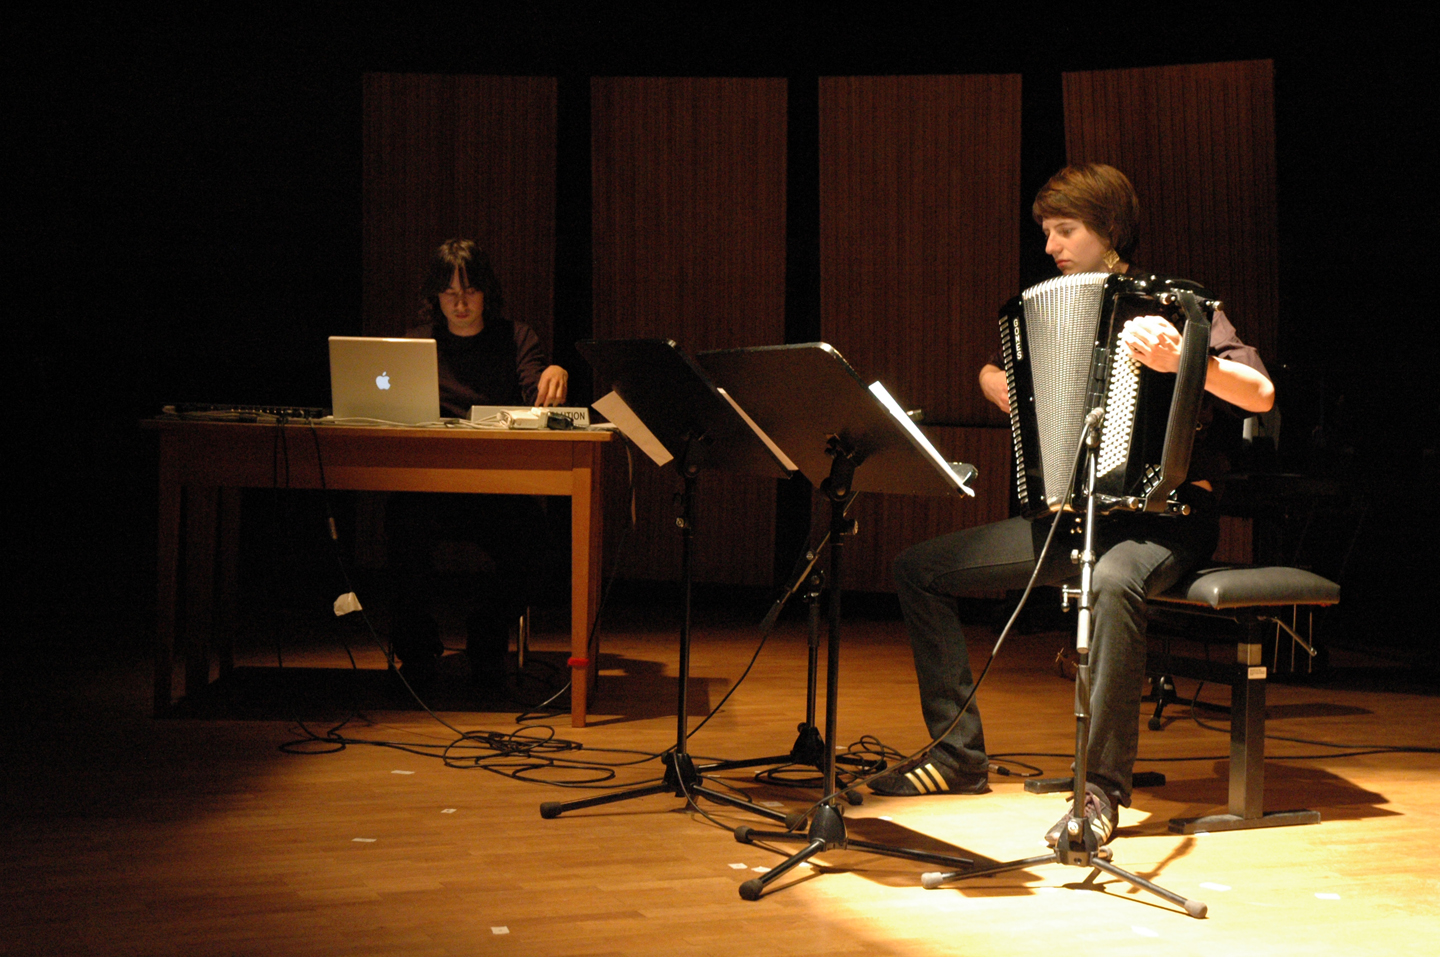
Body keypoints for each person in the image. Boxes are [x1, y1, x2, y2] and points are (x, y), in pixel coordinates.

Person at [871, 165, 1274, 847]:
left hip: (1167, 520)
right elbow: (1002, 373)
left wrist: (1186, 361)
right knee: (921, 569)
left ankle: (1101, 791)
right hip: (1076, 520)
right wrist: (995, 381)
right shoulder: (1048, 307)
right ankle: (957, 755)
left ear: (1108, 230)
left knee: (1112, 582)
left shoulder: (1175, 304)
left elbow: (1259, 392)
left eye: (1065, 230)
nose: (1051, 246)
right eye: (1047, 232)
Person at [388, 240, 570, 688]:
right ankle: (417, 650)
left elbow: (538, 400)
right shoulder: (416, 344)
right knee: (399, 528)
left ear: (487, 291)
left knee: (538, 549)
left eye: (469, 291)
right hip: (430, 489)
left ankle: (487, 634)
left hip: (497, 489)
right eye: (449, 293)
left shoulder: (517, 338)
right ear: (435, 296)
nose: (460, 303)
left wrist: (554, 372)